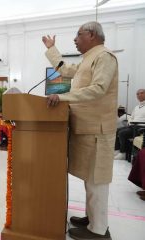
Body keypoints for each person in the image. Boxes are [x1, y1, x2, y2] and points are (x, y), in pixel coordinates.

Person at [43, 21, 117, 239]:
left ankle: (99, 230)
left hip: (98, 130)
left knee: (96, 180)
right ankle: (91, 218)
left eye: (78, 35)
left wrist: (63, 96)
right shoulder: (89, 58)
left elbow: (98, 89)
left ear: (92, 34)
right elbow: (65, 69)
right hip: (88, 128)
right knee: (89, 178)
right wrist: (51, 48)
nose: (75, 39)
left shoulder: (104, 56)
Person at [114, 89, 145, 160]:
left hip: (141, 127)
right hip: (133, 126)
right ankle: (117, 150)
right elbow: (131, 117)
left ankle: (123, 153)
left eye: (141, 93)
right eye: (137, 94)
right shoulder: (136, 107)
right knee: (116, 130)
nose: (139, 95)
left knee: (122, 133)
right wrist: (130, 121)